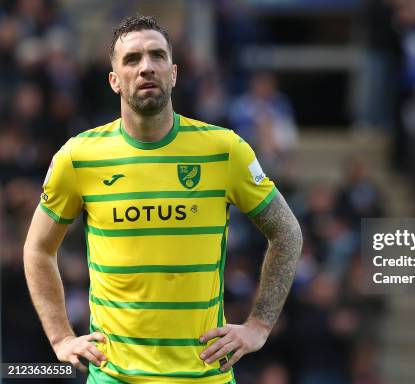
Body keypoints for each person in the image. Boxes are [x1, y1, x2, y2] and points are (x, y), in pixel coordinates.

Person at [23, 15, 302, 384]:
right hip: (115, 376)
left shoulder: (224, 150)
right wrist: (60, 338)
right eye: (132, 59)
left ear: (173, 73)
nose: (146, 67)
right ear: (114, 81)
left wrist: (259, 325)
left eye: (157, 56)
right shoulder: (78, 157)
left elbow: (287, 233)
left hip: (204, 375)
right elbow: (38, 249)